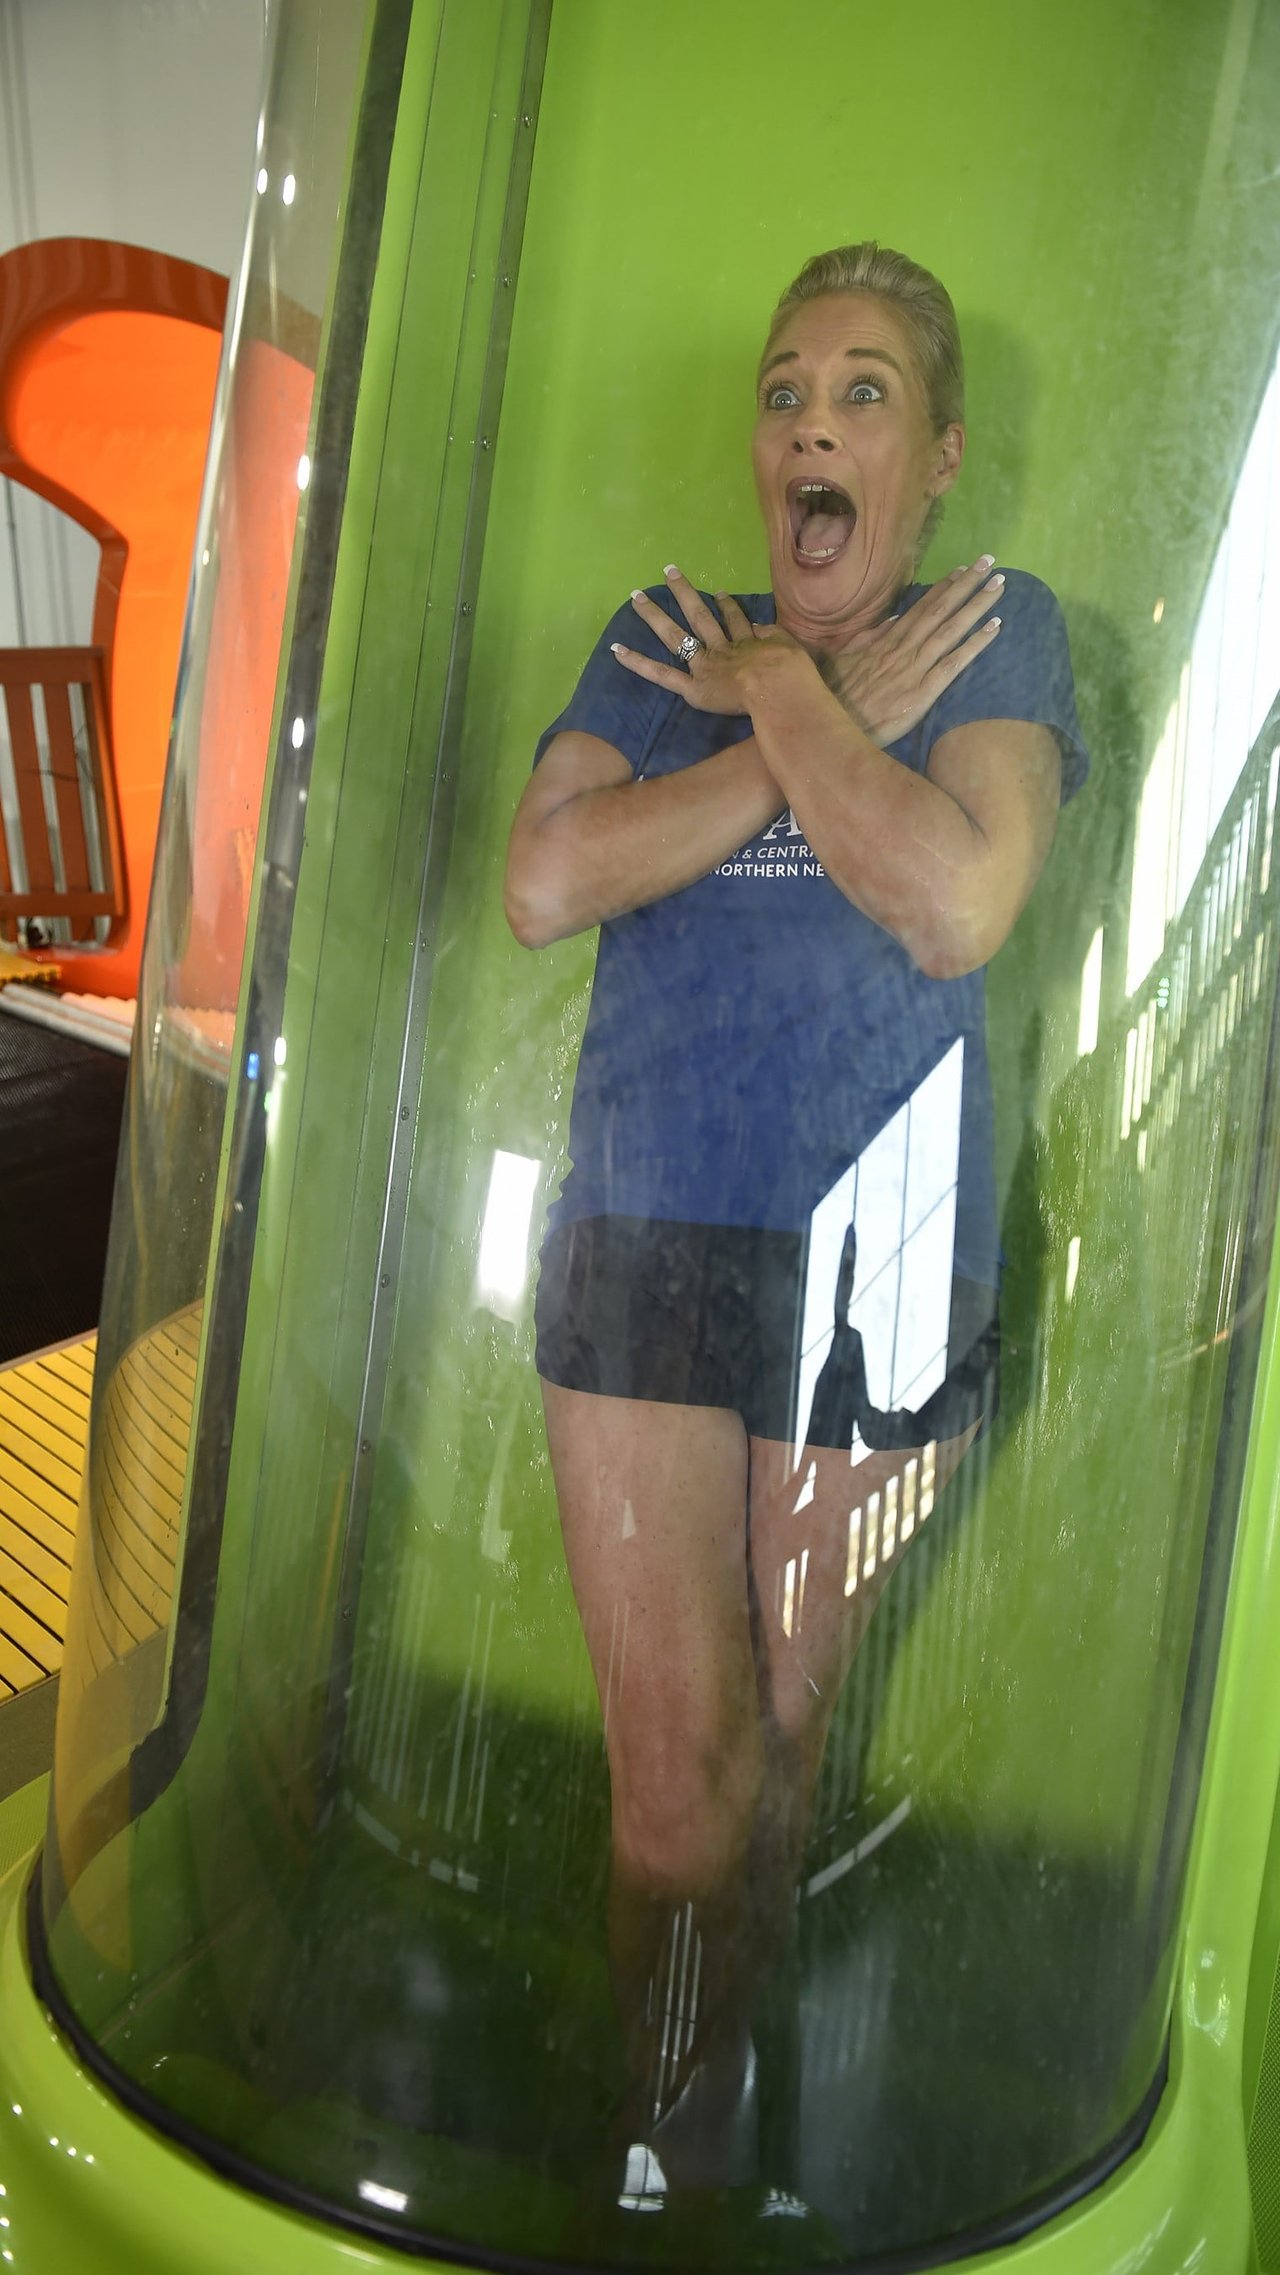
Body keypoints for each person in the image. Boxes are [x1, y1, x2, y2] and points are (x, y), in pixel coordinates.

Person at [504, 242, 1088, 2195]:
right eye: (781, 392)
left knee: (782, 1733)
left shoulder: (1001, 639)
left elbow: (948, 900)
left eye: (858, 394)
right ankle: (657, 2145)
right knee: (671, 1785)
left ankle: (730, 2074)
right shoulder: (672, 633)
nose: (808, 424)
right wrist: (790, 697)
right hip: (642, 1226)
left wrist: (798, 702)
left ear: (930, 459)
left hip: (886, 1257)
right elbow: (547, 876)